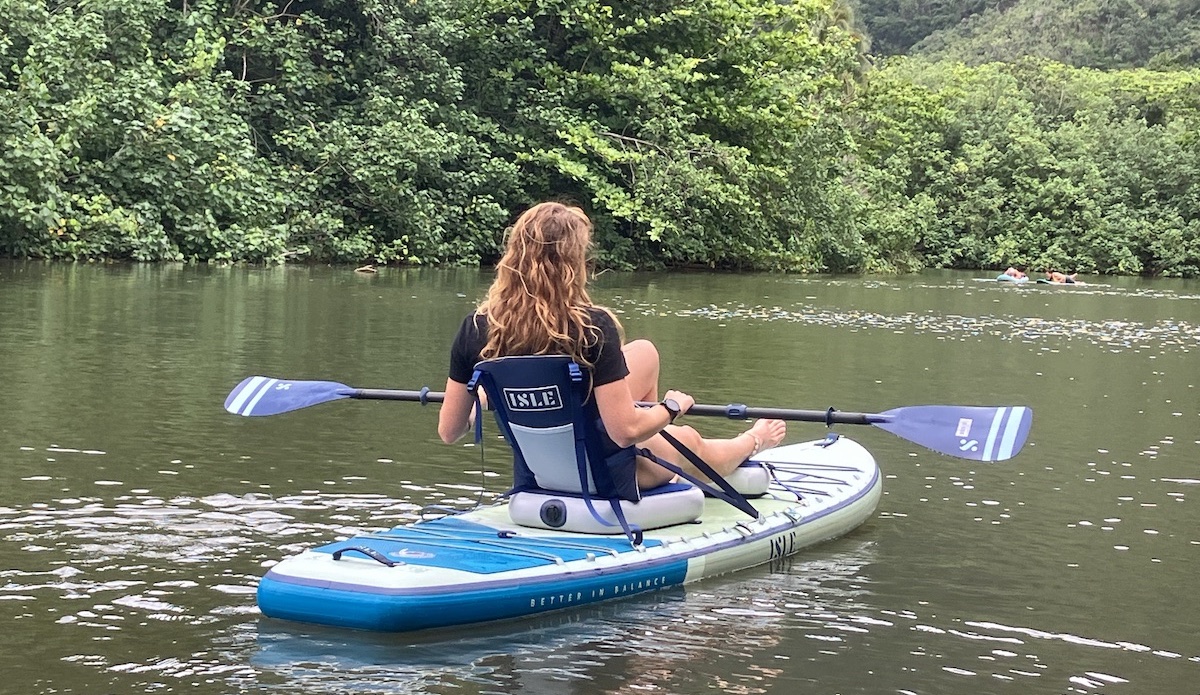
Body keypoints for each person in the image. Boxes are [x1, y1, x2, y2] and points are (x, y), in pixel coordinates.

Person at [437, 201, 786, 490]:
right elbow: (624, 432)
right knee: (688, 440)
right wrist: (671, 407)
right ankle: (754, 440)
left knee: (644, 352)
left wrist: (486, 397)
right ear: (575, 263)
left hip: (540, 474)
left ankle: (657, 437)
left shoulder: (477, 328)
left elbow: (449, 431)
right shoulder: (591, 327)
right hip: (605, 478)